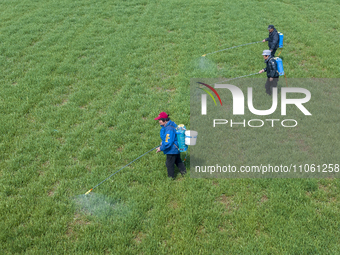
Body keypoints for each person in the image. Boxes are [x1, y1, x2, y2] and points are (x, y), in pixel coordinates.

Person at [155, 112, 186, 179]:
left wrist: (161, 148)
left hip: (172, 149)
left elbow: (168, 142)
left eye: (160, 120)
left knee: (169, 164)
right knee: (178, 161)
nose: (159, 121)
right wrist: (162, 142)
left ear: (165, 120)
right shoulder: (171, 124)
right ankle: (184, 173)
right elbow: (168, 139)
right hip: (176, 147)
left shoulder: (169, 129)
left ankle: (170, 178)